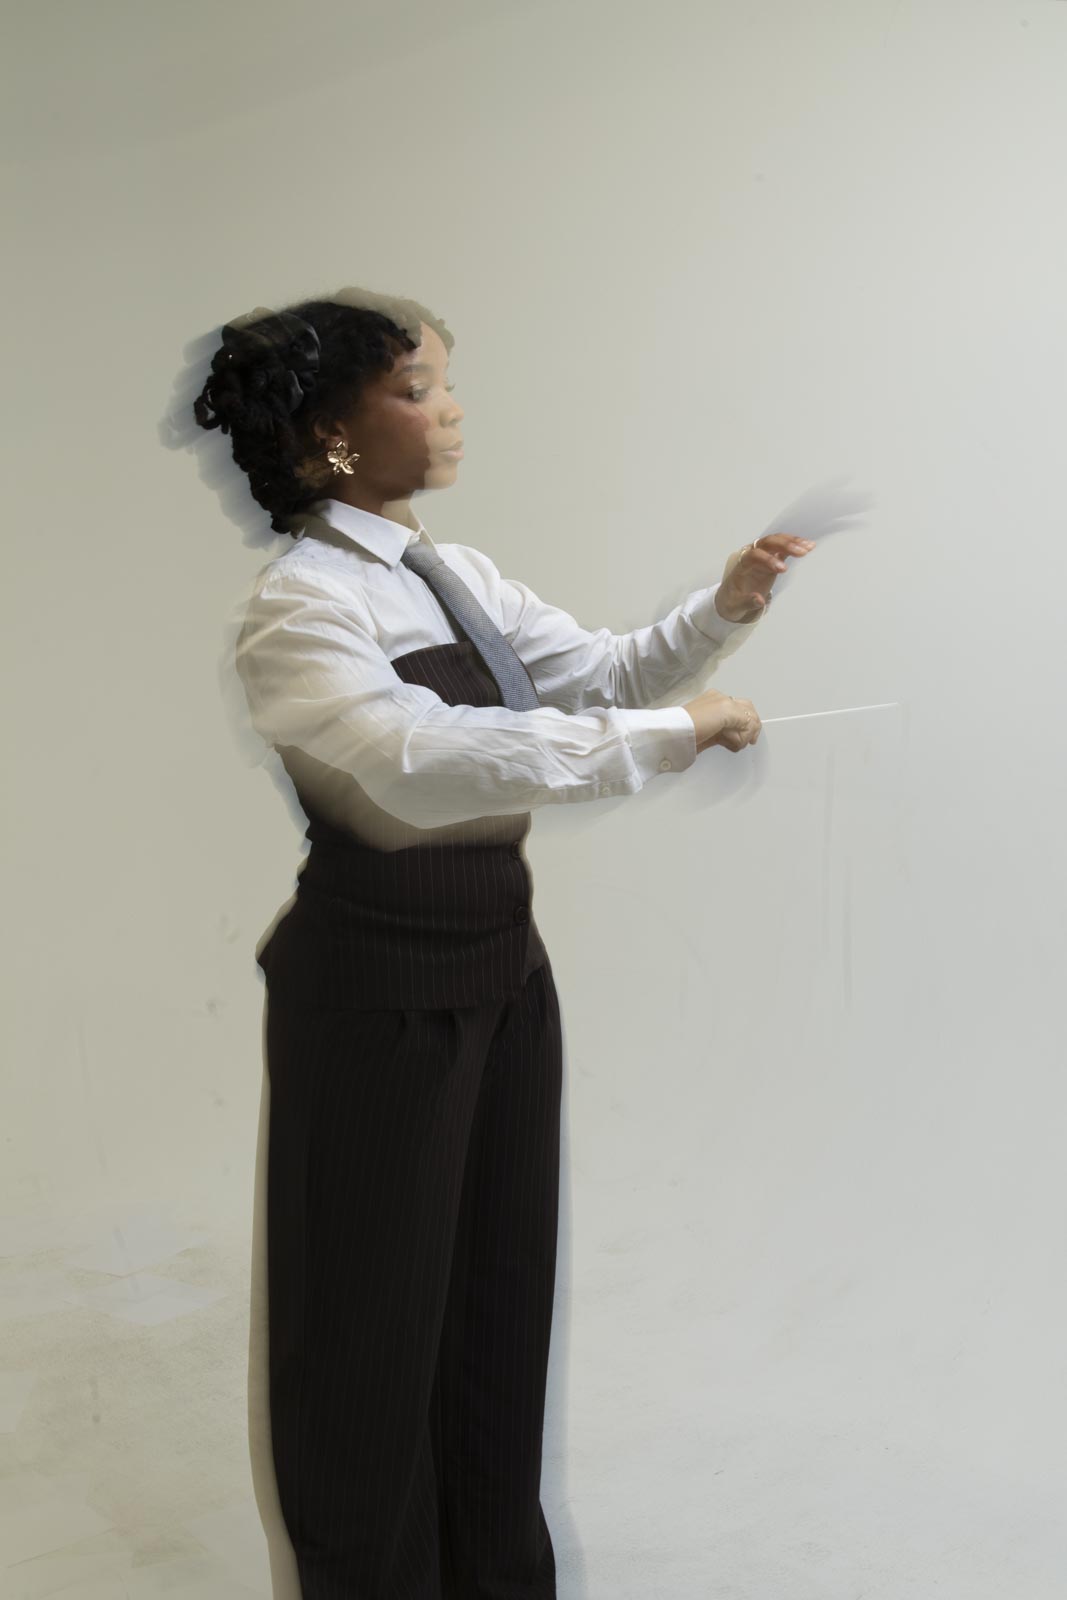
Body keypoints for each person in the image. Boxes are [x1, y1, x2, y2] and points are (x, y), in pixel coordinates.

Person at [193, 286, 814, 1599]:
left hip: (499, 975)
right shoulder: (303, 611)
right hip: (375, 997)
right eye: (418, 388)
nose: (452, 408)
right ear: (330, 439)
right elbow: (421, 769)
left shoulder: (451, 575)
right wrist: (673, 735)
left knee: (491, 1320)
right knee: (364, 1345)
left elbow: (594, 672)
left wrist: (724, 609)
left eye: (444, 381)